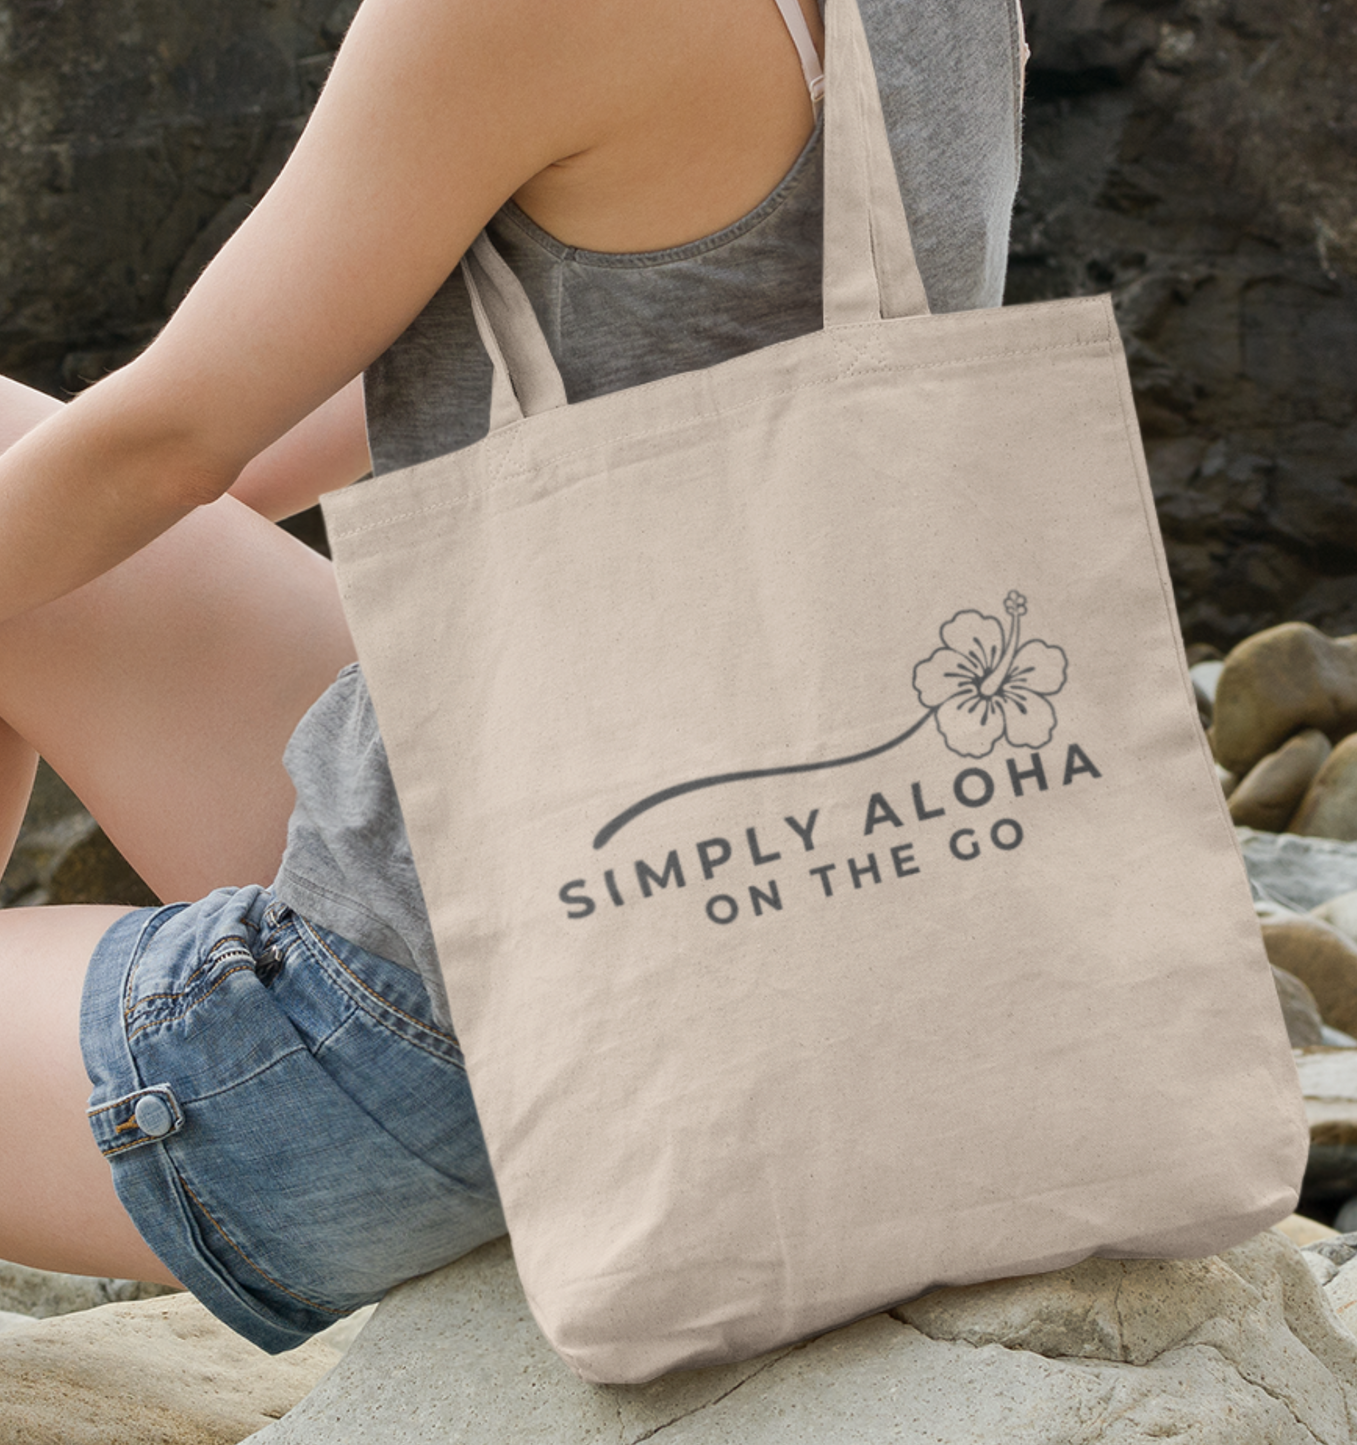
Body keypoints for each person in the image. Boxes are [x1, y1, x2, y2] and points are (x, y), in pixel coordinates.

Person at [0, 0, 1022, 1351]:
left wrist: (177, 481)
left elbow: (168, 447)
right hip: (826, 888)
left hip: (487, 1036)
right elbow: (606, 326)